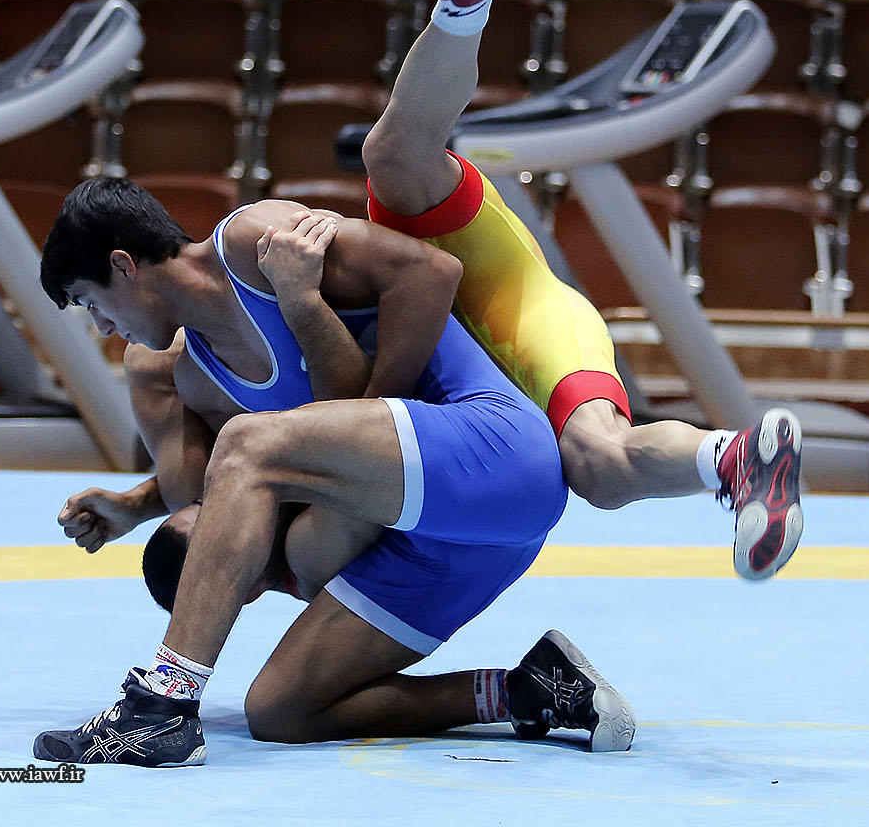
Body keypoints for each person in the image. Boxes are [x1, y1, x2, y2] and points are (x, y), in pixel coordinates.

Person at [34, 139, 634, 763]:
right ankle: (530, 691)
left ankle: (161, 704)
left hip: (498, 451)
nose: (103, 328)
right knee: (282, 708)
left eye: (91, 302)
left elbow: (433, 272)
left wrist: (318, 332)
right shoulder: (197, 377)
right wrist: (137, 504)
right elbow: (213, 503)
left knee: (250, 446)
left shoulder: (254, 243)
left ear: (124, 265)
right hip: (453, 540)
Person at [364, 0, 803, 580]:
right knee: (599, 476)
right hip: (479, 388)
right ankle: (739, 460)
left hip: (526, 319)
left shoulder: (371, 240)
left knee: (394, 155)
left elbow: (404, 150)